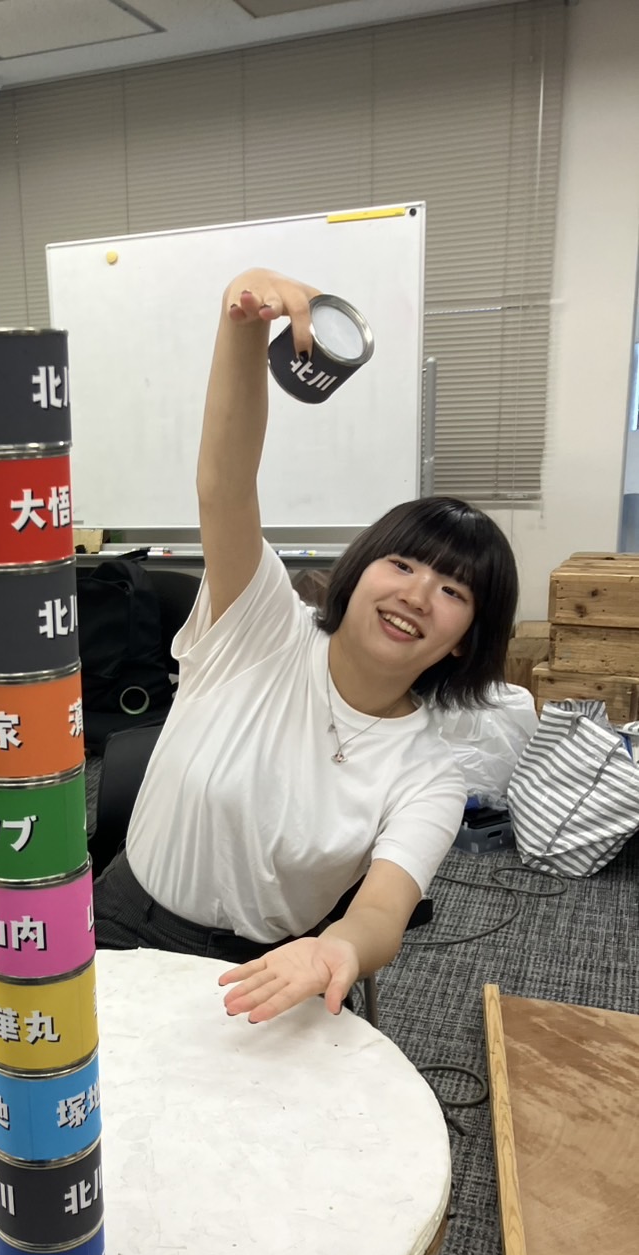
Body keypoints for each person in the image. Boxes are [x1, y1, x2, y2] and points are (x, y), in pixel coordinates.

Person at [92, 267, 519, 1024]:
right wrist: (243, 327)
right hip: (119, 920)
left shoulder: (430, 772)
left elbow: (382, 909)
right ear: (360, 571)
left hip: (264, 968)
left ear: (465, 642)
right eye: (403, 564)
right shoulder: (262, 627)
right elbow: (225, 484)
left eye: (454, 592)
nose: (418, 595)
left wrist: (337, 949)